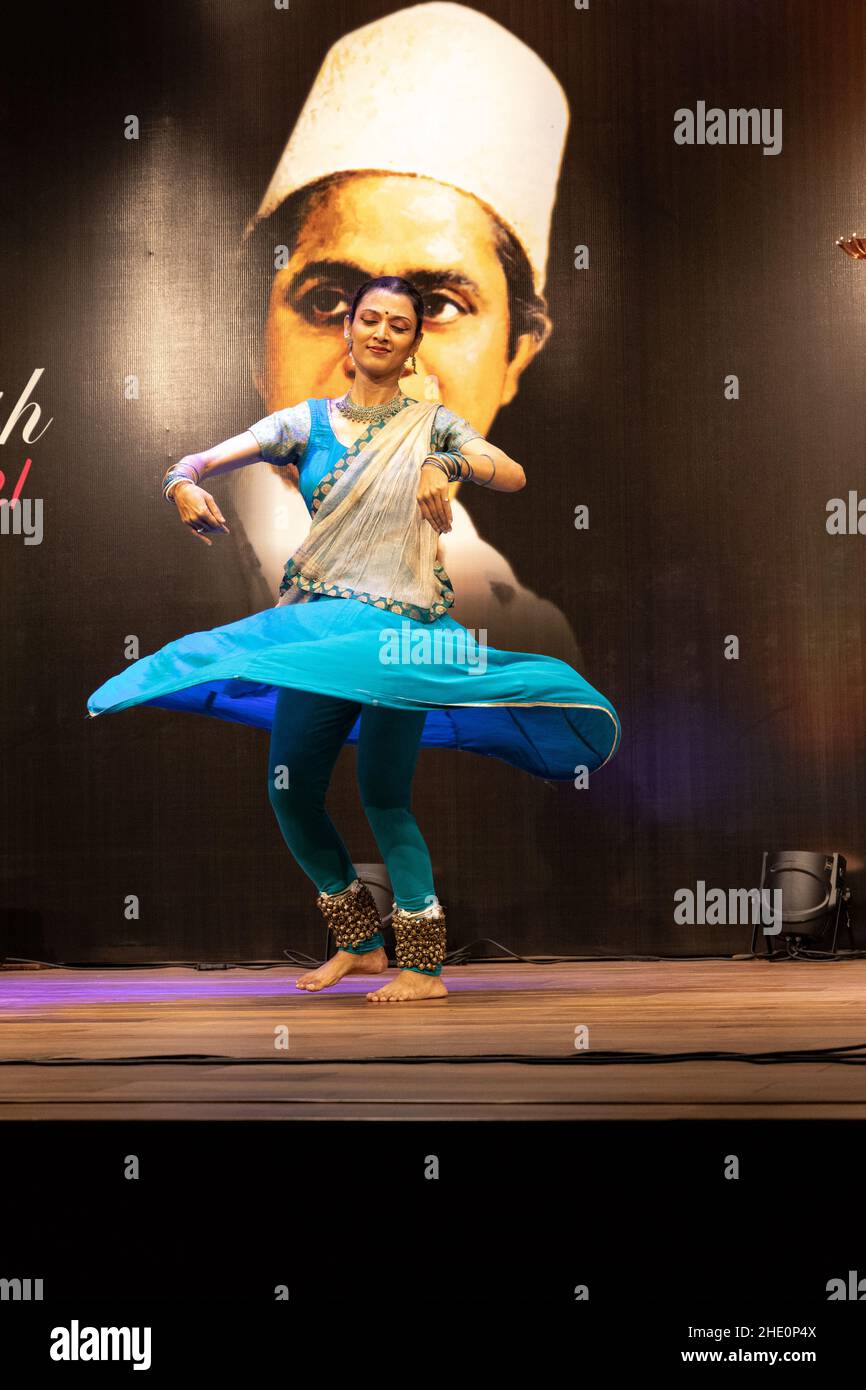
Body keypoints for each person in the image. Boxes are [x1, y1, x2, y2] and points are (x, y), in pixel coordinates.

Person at [87, 277, 621, 1003]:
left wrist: (449, 462)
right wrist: (179, 482)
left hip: (402, 637)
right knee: (291, 791)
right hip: (318, 629)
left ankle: (424, 966)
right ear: (349, 329)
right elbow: (200, 462)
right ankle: (361, 944)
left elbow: (514, 473)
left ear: (413, 345)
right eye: (368, 319)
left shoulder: (430, 424)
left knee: (383, 796)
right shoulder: (303, 423)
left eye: (398, 326)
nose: (379, 333)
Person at [232, 0, 584, 666]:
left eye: (441, 307)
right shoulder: (151, 577)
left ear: (515, 358)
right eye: (330, 299)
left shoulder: (530, 642)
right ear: (256, 343)